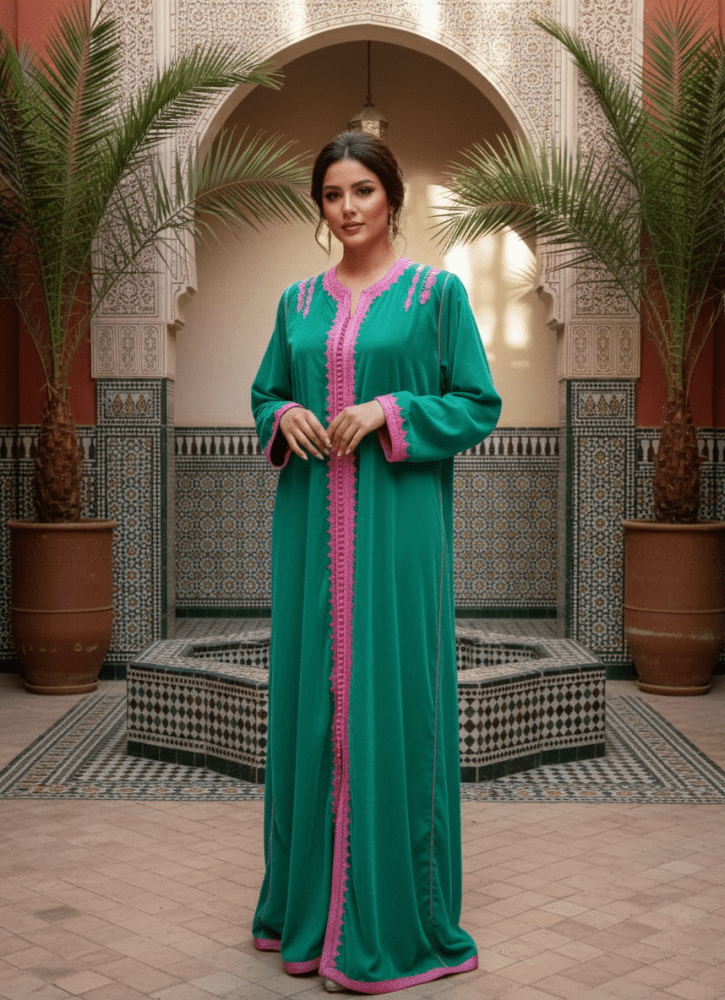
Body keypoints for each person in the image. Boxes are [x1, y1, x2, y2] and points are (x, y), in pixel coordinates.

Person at [250, 131, 501, 994]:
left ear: (391, 195)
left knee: (393, 707)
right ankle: (310, 916)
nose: (347, 208)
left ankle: (395, 922)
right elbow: (266, 391)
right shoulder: (296, 304)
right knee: (312, 709)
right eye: (331, 195)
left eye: (362, 190)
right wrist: (284, 416)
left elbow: (477, 402)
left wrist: (390, 410)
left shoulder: (438, 297)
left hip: (398, 533)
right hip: (310, 529)